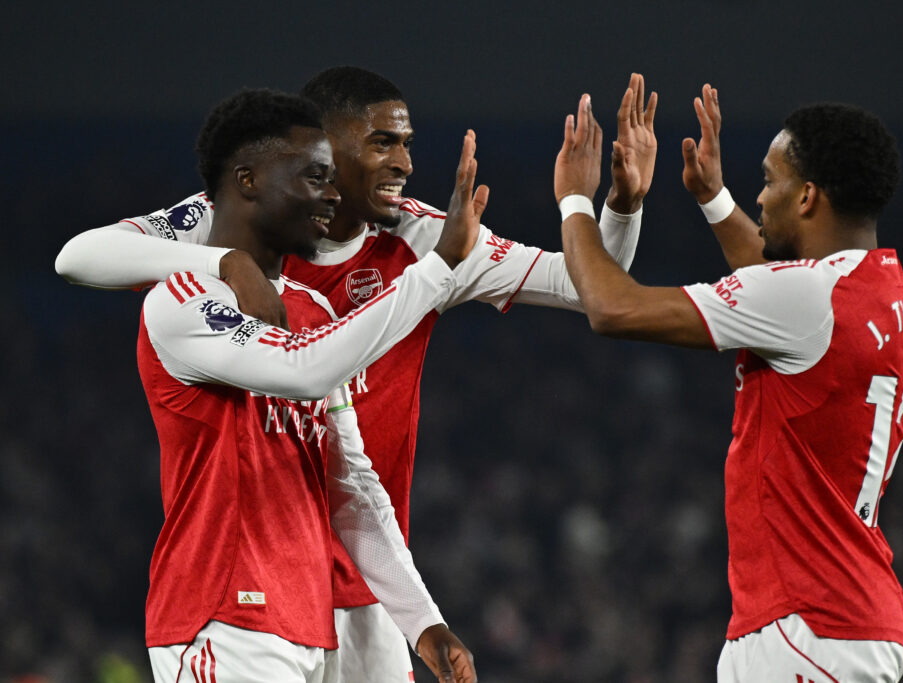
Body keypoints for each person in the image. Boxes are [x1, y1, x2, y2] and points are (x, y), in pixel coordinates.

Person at [54, 68, 658, 681]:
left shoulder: (422, 237)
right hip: (241, 586)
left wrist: (617, 207)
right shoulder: (220, 227)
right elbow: (78, 257)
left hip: (364, 582)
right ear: (322, 151)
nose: (404, 163)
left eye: (407, 144)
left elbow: (591, 288)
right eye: (381, 143)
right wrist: (226, 260)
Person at [554, 89, 903, 682]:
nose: (758, 196)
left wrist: (576, 196)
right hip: (838, 616)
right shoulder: (899, 296)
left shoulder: (808, 298)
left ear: (808, 197)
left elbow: (611, 308)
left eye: (769, 180)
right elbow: (783, 287)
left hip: (808, 625)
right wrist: (711, 196)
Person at [117, 88, 483, 683]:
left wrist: (423, 622)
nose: (334, 194)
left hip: (305, 626)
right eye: (316, 176)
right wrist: (436, 272)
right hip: (221, 619)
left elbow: (352, 485)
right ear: (249, 181)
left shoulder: (312, 309)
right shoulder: (182, 300)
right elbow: (302, 369)